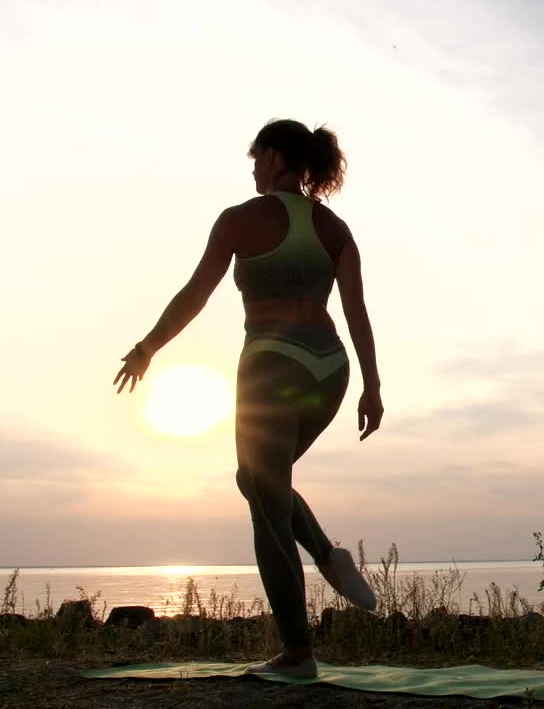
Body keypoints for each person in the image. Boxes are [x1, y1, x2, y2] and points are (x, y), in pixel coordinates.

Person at [113, 118, 384, 678]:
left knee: (266, 503)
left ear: (279, 158)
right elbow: (355, 311)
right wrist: (371, 385)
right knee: (260, 481)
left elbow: (196, 294)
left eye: (257, 156)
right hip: (330, 373)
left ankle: (298, 653)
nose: (253, 166)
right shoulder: (335, 228)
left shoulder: (239, 220)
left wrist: (147, 347)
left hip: (271, 366)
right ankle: (329, 558)